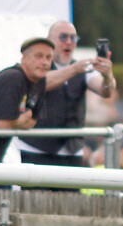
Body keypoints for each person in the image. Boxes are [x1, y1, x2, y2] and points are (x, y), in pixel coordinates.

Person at [15, 21, 116, 188]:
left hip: (71, 151)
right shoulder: (39, 67)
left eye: (73, 38)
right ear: (49, 40)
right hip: (35, 148)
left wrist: (108, 76)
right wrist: (74, 69)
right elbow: (41, 84)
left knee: (70, 206)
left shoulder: (83, 69)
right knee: (33, 205)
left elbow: (106, 91)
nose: (69, 42)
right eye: (63, 37)